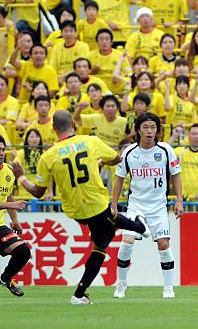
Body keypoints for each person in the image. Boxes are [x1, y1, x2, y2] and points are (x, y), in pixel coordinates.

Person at [12, 111, 148, 304]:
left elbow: (37, 192)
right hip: (96, 204)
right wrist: (99, 161)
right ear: (74, 124)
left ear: (53, 129)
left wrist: (21, 176)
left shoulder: (48, 156)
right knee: (104, 238)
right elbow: (117, 158)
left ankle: (139, 227)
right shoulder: (90, 141)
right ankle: (78, 295)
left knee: (107, 230)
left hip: (75, 211)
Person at [112, 113, 183, 299]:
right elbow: (119, 179)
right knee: (126, 243)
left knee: (164, 244)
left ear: (157, 130)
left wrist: (179, 200)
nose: (149, 131)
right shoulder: (128, 152)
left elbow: (176, 175)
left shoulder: (166, 150)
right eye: (145, 127)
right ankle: (121, 285)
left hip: (158, 207)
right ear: (138, 130)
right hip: (136, 206)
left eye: (153, 127)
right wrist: (113, 205)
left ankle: (168, 287)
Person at [0, 136, 30, 297]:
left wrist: (15, 221)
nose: (1, 153)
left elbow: (8, 195)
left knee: (23, 251)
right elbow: (10, 202)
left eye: (3, 149)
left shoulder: (8, 171)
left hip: (0, 226)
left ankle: (5, 278)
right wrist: (11, 205)